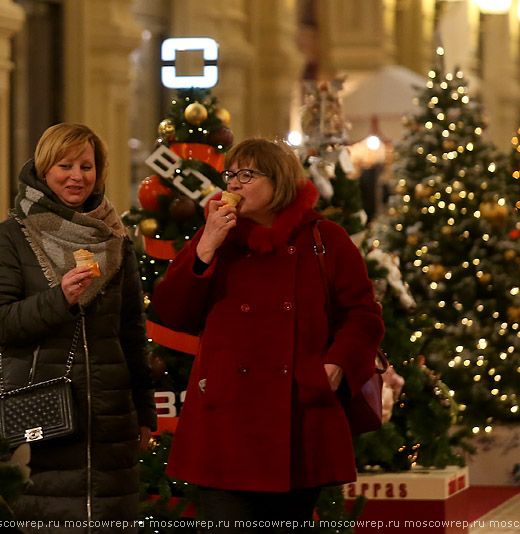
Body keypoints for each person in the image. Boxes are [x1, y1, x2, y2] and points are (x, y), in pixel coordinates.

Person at [152, 138, 384, 532]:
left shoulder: (325, 239)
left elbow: (364, 316)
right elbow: (171, 312)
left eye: (247, 174)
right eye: (230, 175)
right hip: (225, 418)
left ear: (280, 182)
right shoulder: (216, 237)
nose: (234, 185)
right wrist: (206, 245)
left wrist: (336, 365)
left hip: (297, 416)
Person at [0, 123, 156, 532]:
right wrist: (59, 299)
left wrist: (144, 410)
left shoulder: (115, 239)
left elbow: (131, 332)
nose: (78, 176)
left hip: (110, 419)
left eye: (87, 166)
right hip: (41, 416)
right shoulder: (13, 236)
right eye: (65, 165)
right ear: (44, 169)